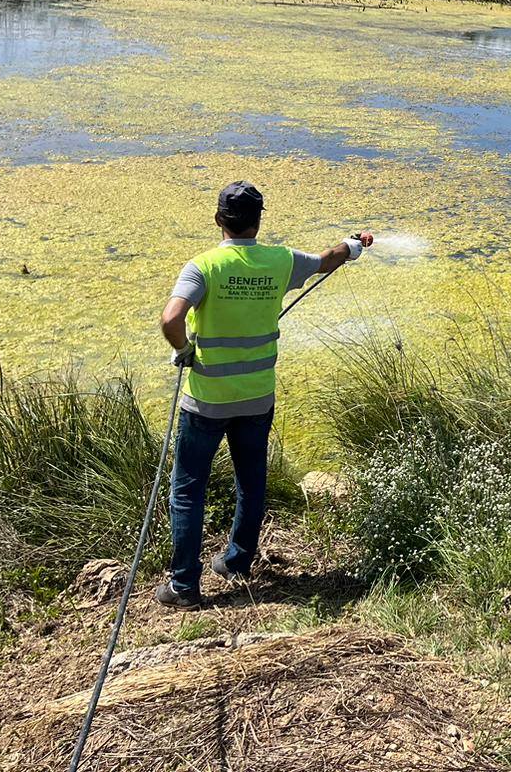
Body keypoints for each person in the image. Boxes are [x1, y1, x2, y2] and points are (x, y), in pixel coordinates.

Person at [154, 180, 372, 608]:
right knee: (251, 481)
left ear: (218, 219)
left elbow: (171, 318)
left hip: (206, 401)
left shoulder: (203, 267)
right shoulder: (280, 261)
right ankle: (236, 562)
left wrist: (183, 349)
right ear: (258, 221)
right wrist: (352, 245)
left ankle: (184, 586)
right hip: (257, 397)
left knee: (187, 490)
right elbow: (327, 260)